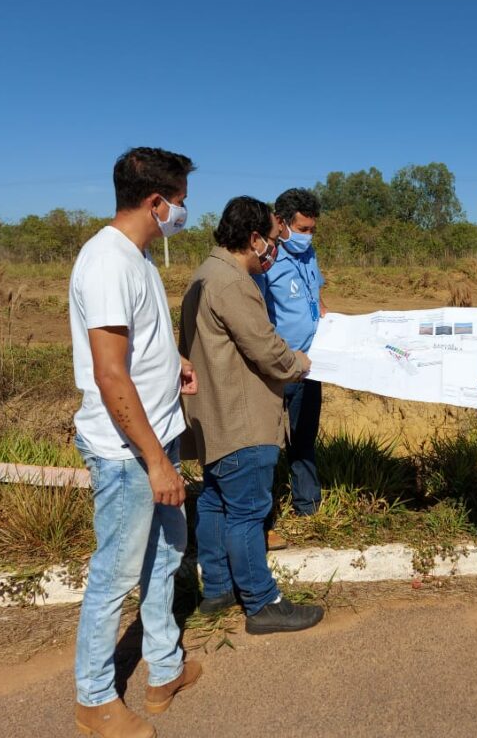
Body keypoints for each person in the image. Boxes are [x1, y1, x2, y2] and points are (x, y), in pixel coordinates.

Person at [69, 147, 202, 737]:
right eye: (179, 203)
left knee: (165, 558)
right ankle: (95, 699)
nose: (182, 213)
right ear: (156, 201)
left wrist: (174, 361)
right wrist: (154, 462)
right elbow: (109, 373)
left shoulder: (139, 259)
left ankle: (164, 668)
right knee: (115, 576)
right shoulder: (105, 263)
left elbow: (138, 344)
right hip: (129, 455)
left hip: (159, 436)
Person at [179, 195, 325, 634]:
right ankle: (262, 604)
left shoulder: (205, 274)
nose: (276, 250)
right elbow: (264, 346)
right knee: (247, 512)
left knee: (215, 500)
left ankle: (218, 589)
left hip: (214, 415)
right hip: (241, 417)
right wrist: (299, 363)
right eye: (274, 239)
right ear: (255, 237)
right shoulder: (233, 283)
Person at [254, 188, 326, 544]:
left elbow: (316, 295)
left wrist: (327, 317)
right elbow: (255, 314)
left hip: (312, 365)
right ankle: (262, 519)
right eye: (302, 228)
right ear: (280, 223)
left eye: (312, 229)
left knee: (304, 438)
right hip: (280, 367)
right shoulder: (264, 262)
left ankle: (308, 504)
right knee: (268, 444)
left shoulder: (309, 253)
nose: (307, 236)